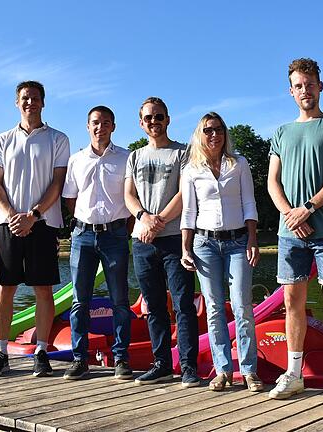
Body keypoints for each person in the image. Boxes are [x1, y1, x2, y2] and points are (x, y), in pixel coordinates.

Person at [266, 58, 323, 404]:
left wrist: (308, 208)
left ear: (320, 86)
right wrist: (290, 213)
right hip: (290, 233)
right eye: (299, 85)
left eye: (310, 83)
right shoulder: (281, 133)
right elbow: (272, 181)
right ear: (291, 91)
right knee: (292, 302)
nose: (305, 90)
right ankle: (294, 374)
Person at [0, 80, 69, 377]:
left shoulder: (58, 139)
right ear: (16, 103)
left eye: (34, 98)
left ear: (43, 102)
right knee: (4, 289)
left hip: (43, 223)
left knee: (43, 290)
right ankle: (0, 352)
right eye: (24, 98)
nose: (29, 102)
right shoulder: (2, 139)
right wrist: (10, 215)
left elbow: (57, 183)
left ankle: (42, 351)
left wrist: (32, 215)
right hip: (7, 223)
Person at [179, 112, 263, 392]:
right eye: (208, 131)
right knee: (214, 308)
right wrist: (185, 247)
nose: (214, 135)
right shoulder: (191, 170)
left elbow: (249, 203)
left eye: (218, 130)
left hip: (238, 241)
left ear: (225, 134)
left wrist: (252, 240)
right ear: (199, 135)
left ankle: (249, 371)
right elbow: (189, 212)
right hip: (205, 244)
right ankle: (224, 370)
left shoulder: (238, 164)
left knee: (242, 306)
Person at [124, 97, 200, 387]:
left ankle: (189, 366)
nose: (153, 122)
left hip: (173, 240)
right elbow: (129, 196)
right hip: (143, 241)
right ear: (141, 123)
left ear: (168, 119)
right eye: (148, 118)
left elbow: (185, 193)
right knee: (153, 306)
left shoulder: (183, 153)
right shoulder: (135, 156)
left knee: (183, 304)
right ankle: (161, 364)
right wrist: (144, 217)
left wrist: (158, 222)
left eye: (159, 117)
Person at [61, 106, 133, 380]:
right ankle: (80, 359)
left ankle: (121, 358)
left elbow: (131, 197)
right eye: (95, 123)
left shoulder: (127, 158)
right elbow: (70, 199)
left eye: (105, 123)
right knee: (80, 300)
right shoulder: (76, 160)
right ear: (87, 126)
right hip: (83, 236)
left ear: (113, 126)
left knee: (120, 301)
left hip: (115, 235)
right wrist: (85, 222)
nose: (100, 127)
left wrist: (122, 229)